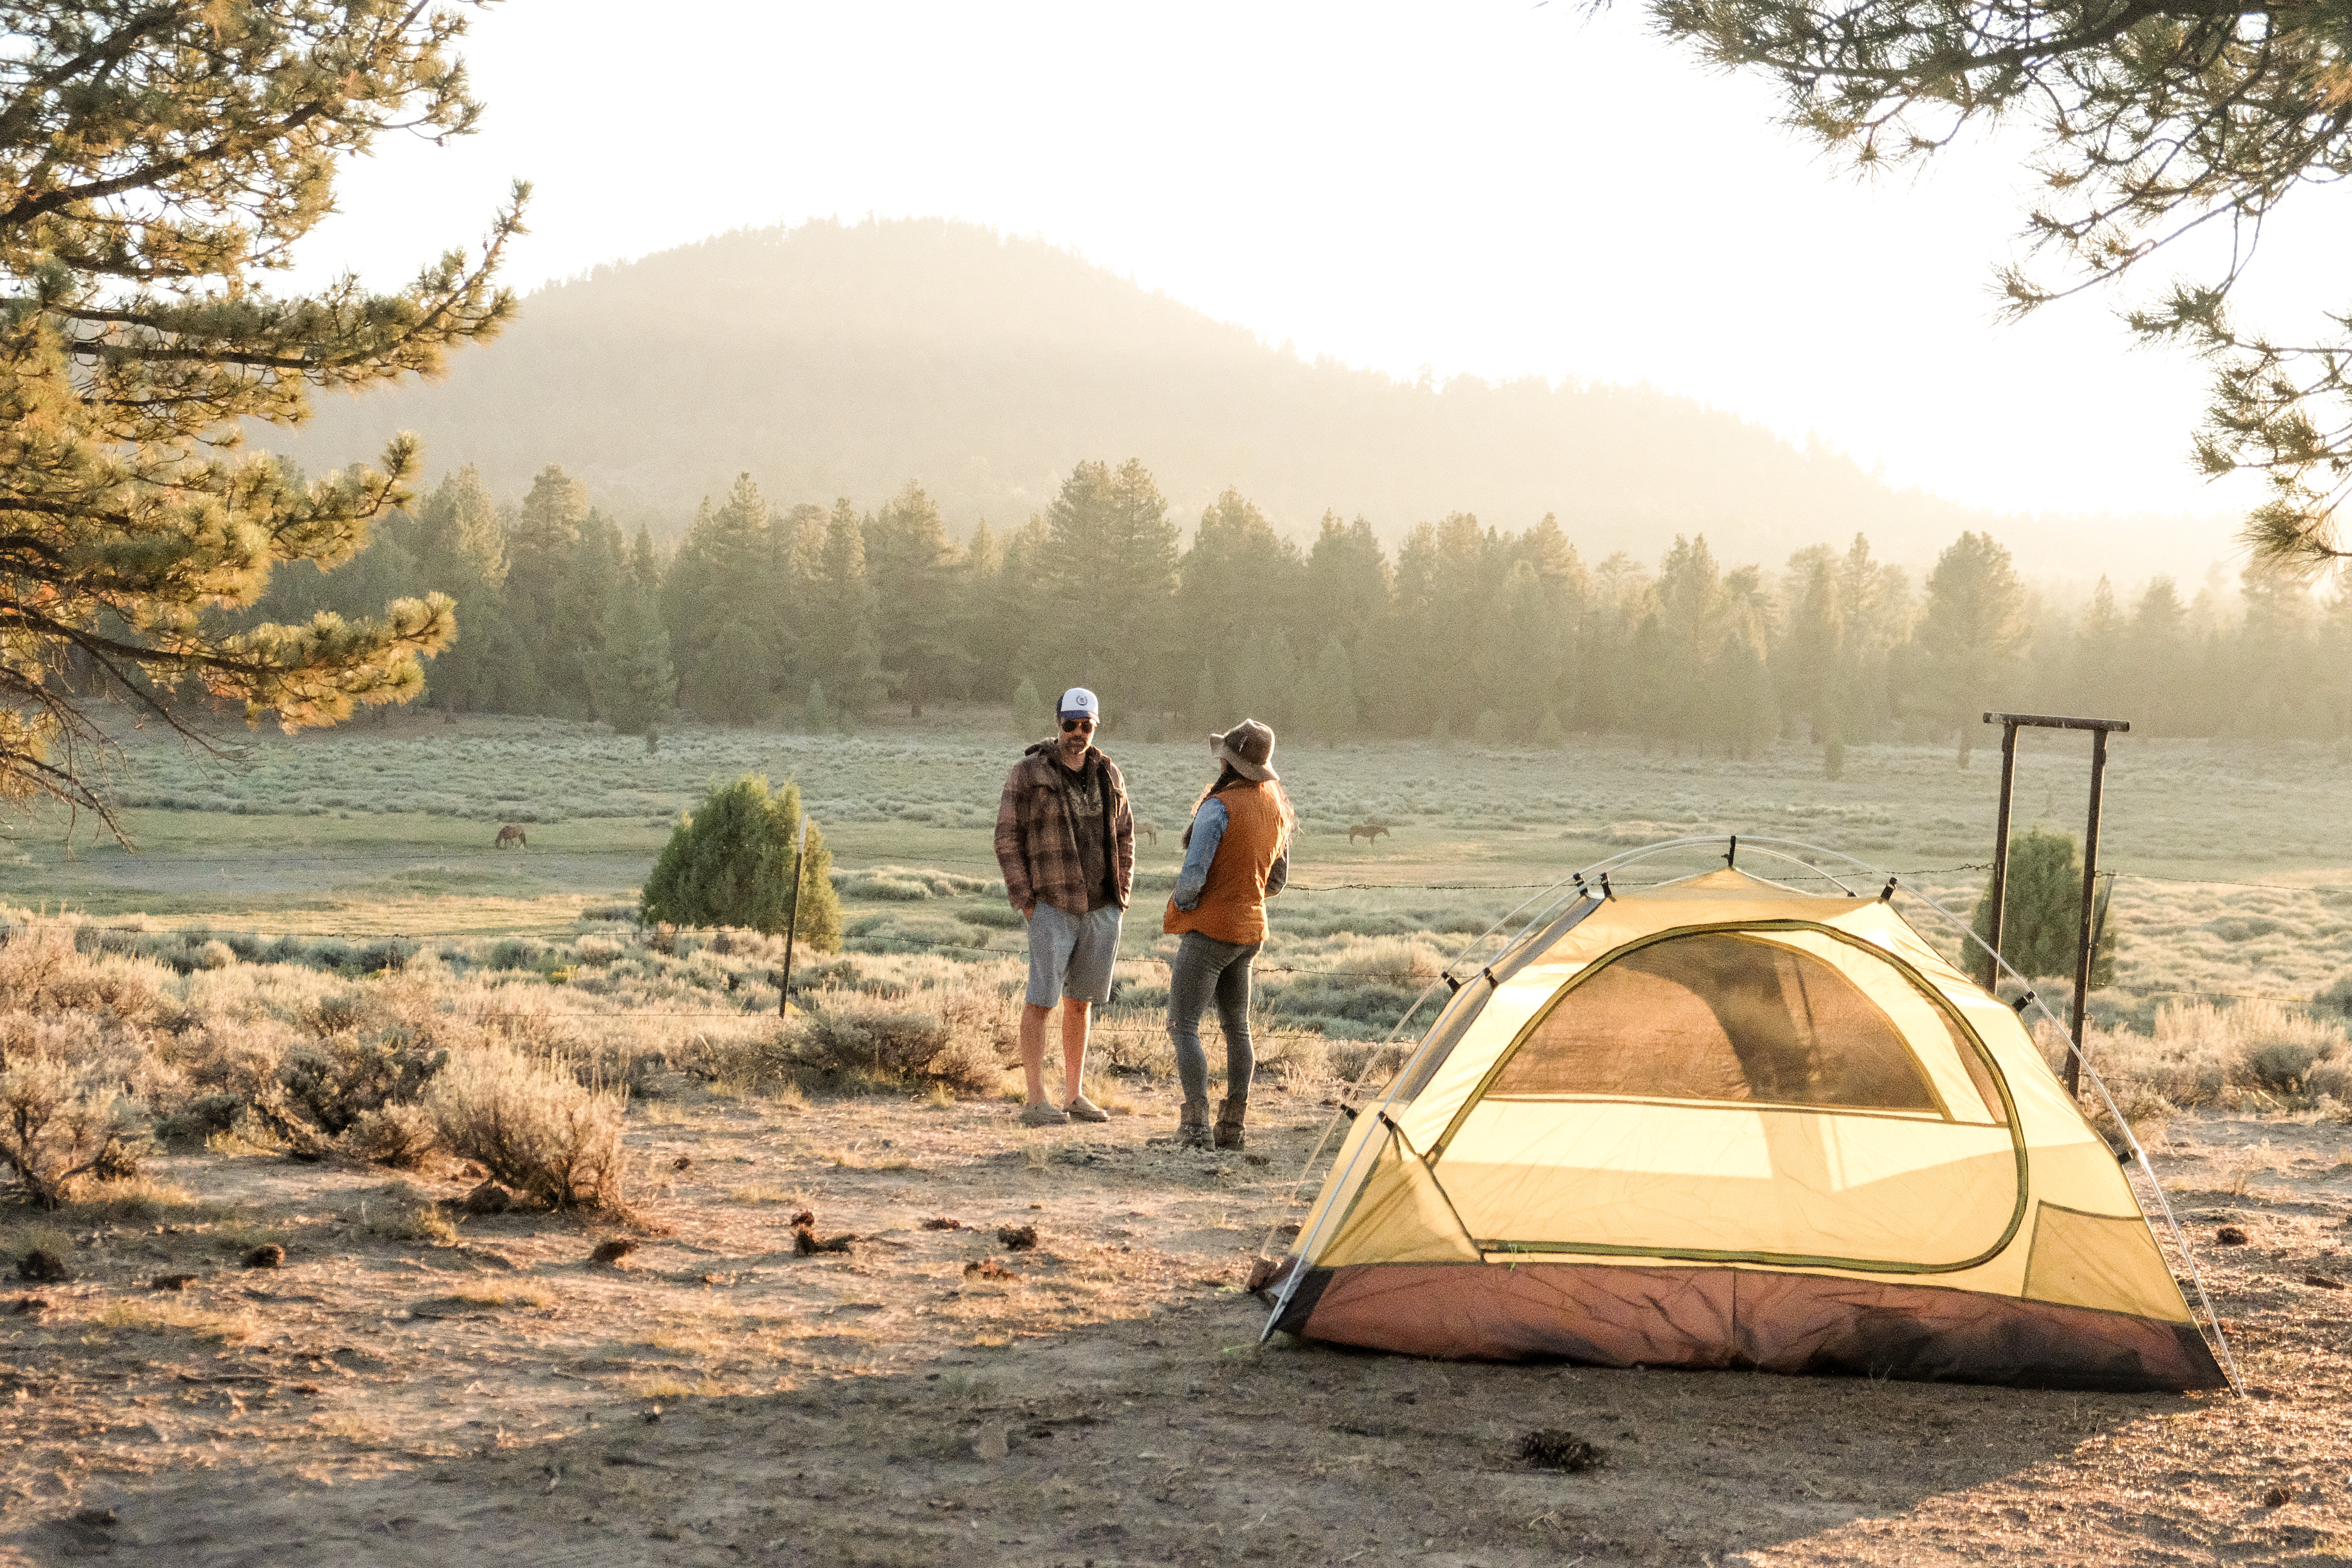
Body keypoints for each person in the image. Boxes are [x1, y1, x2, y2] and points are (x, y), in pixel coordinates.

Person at [993, 685, 1135, 1126]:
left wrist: (1121, 895)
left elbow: (1126, 835)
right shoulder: (1028, 772)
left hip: (1101, 908)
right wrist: (1027, 902)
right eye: (1071, 724)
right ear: (1058, 723)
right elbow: (1007, 838)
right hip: (1052, 904)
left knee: (1081, 1002)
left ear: (1096, 726)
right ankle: (1036, 1099)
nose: (1078, 732)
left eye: (1086, 725)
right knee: (1041, 1001)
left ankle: (1074, 1095)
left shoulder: (1109, 772)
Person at [1163, 719, 1291, 1151]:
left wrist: (1185, 906)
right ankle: (1232, 1127)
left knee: (1183, 1025)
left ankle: (1195, 1127)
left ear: (1229, 762)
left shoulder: (1218, 807)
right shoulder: (1276, 805)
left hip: (1210, 930)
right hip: (1250, 931)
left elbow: (1192, 880)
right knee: (1238, 1027)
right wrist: (1244, 894)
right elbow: (1277, 882)